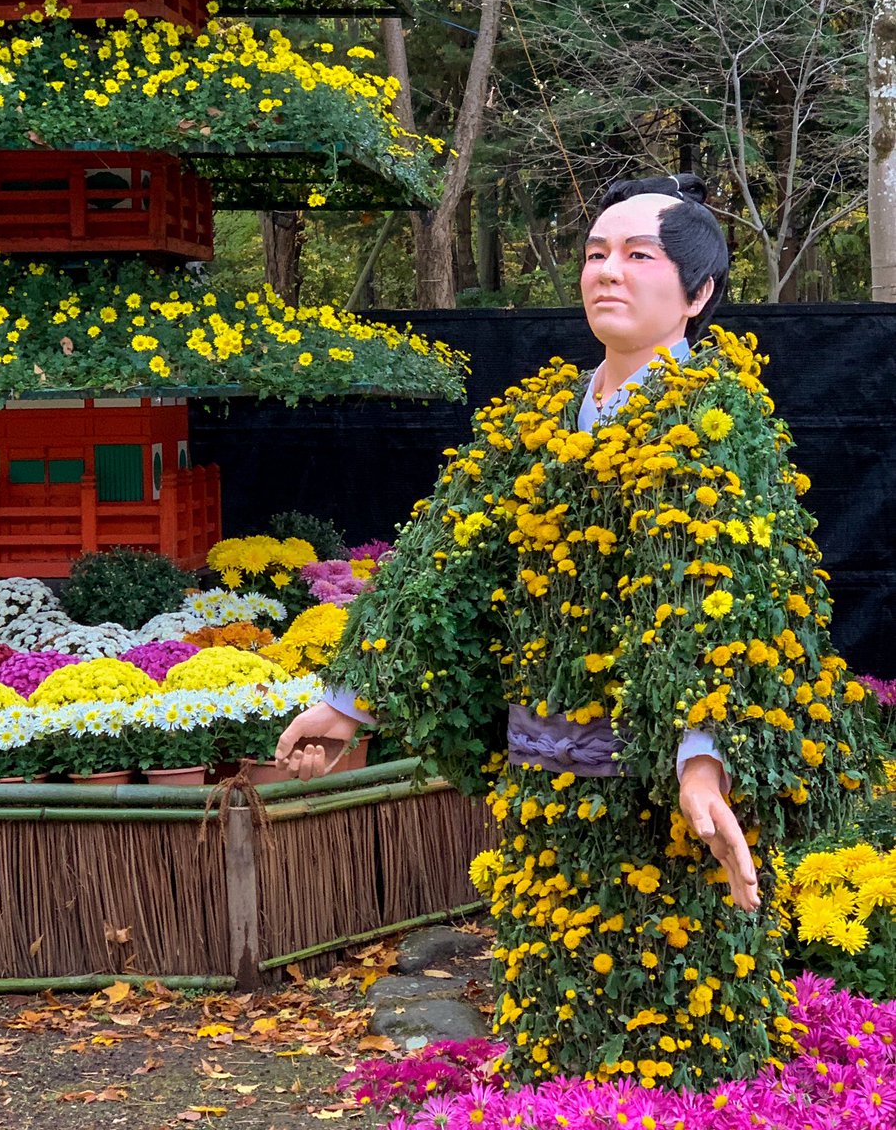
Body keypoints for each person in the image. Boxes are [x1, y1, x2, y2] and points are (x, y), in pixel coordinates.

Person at [276, 174, 873, 1089]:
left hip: (656, 798)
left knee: (676, 999)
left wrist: (704, 755)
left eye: (639, 256)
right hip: (542, 775)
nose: (609, 272)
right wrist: (347, 701)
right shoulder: (536, 418)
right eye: (597, 253)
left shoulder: (716, 424)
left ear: (700, 291)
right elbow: (449, 560)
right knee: (554, 979)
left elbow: (736, 591)